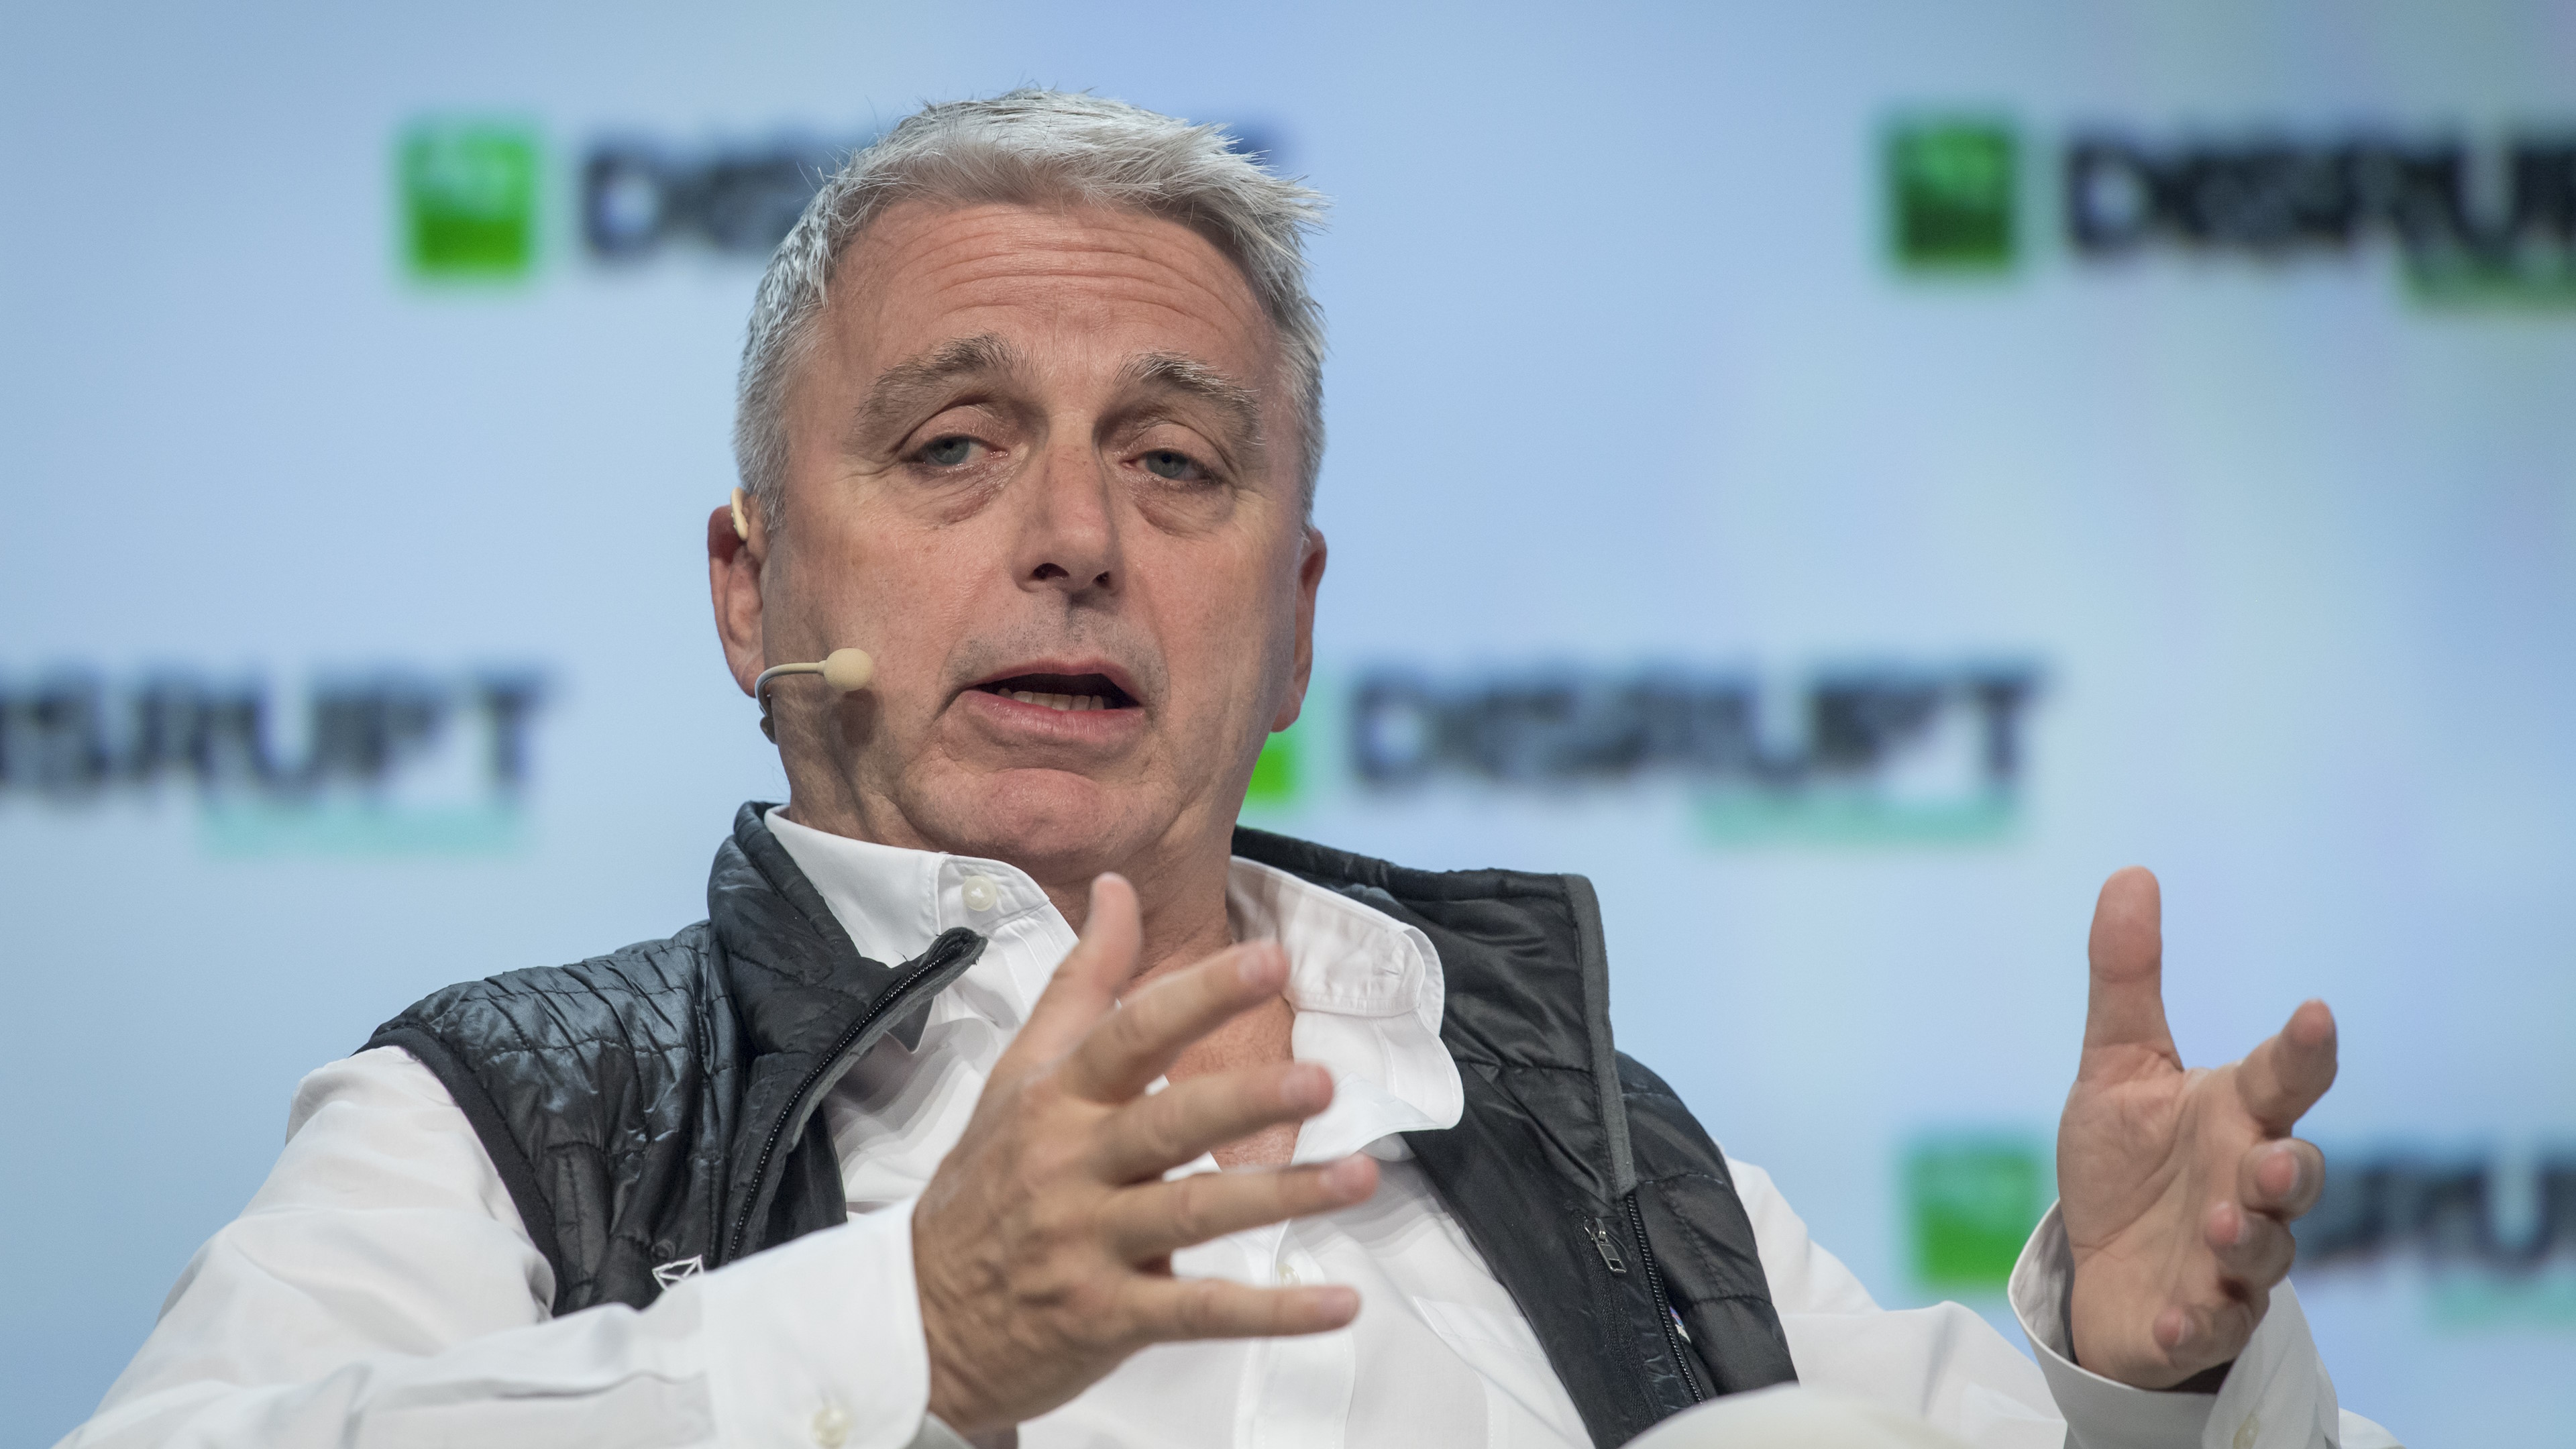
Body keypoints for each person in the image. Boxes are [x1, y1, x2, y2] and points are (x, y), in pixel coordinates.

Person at [61, 91, 2394, 1449]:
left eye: (1178, 466)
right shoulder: (514, 1115)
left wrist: (2136, 1375)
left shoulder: (1579, 1135)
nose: (1075, 540)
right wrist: (914, 1338)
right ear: (750, 591)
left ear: (1289, 619)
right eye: (956, 447)